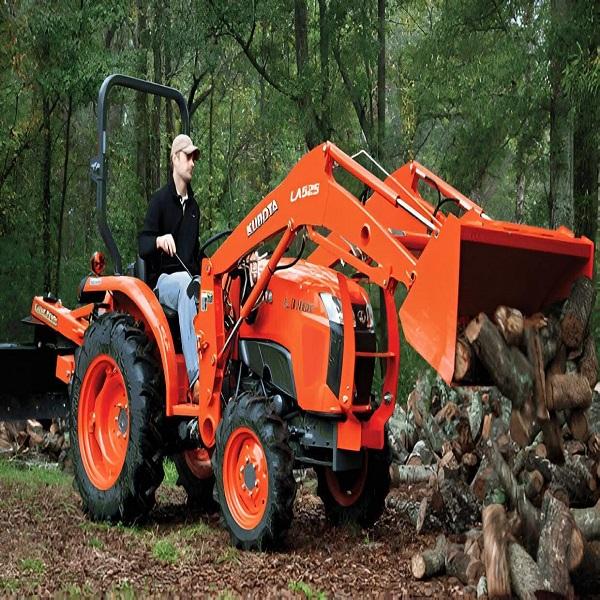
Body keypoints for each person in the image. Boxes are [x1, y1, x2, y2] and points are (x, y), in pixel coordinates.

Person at [139, 134, 201, 403]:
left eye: (194, 158)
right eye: (188, 157)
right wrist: (158, 240)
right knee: (188, 286)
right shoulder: (160, 201)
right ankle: (197, 380)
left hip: (189, 277)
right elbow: (143, 244)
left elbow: (196, 254)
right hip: (163, 282)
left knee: (212, 290)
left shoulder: (194, 208)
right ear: (175, 159)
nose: (192, 163)